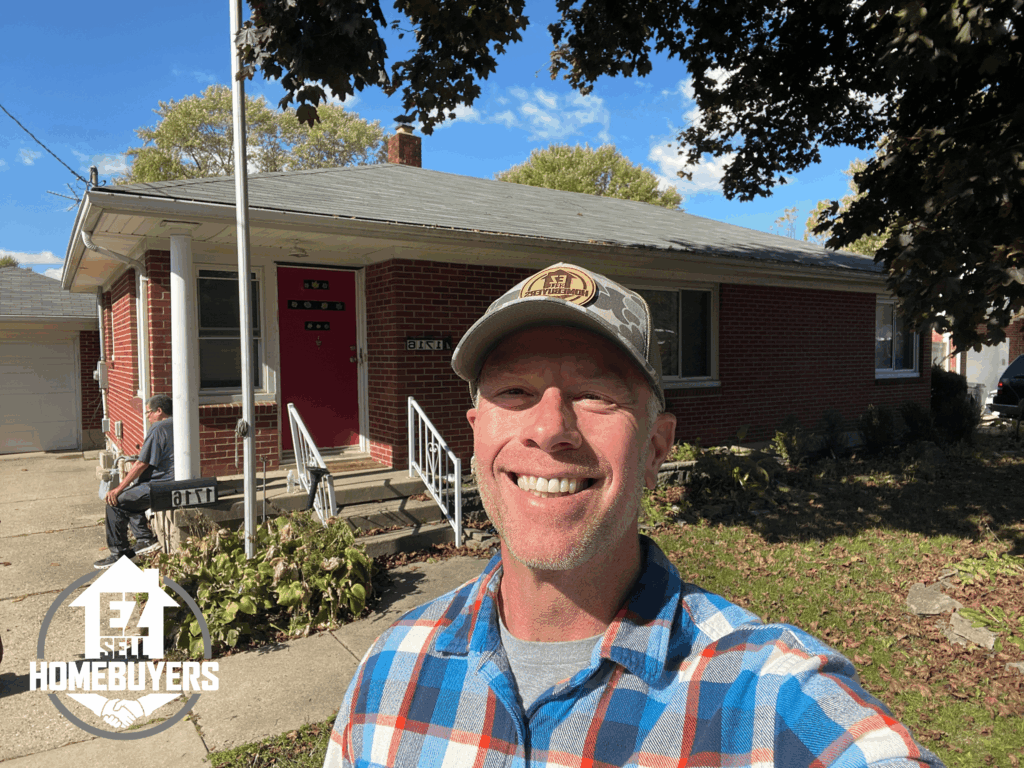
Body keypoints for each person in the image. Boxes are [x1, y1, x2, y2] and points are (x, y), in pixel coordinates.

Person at [324, 263, 945, 767]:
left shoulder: (765, 693)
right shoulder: (388, 671)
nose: (550, 429)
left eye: (594, 393)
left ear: (655, 447)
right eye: (514, 391)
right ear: (476, 433)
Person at [93, 394, 173, 569]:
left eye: (148, 413)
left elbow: (141, 464)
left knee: (115, 502)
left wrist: (118, 489)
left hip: (160, 486)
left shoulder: (158, 428)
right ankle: (144, 539)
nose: (147, 417)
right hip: (173, 483)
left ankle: (118, 553)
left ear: (159, 411)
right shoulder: (179, 423)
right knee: (132, 496)